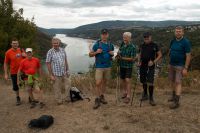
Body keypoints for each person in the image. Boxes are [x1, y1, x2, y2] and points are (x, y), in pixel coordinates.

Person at [89, 29, 114, 109]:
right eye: (103, 34)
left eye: (105, 34)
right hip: (99, 67)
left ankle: (102, 96)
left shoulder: (110, 45)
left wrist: (112, 54)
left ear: (108, 35)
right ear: (101, 35)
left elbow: (112, 53)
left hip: (108, 66)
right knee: (98, 83)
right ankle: (97, 99)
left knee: (104, 82)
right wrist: (96, 52)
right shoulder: (97, 44)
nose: (104, 36)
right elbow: (90, 54)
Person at [168, 26, 191, 109]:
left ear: (183, 32)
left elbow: (188, 56)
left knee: (178, 82)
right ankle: (173, 96)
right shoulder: (172, 40)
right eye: (177, 31)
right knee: (172, 81)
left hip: (180, 66)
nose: (178, 33)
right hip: (172, 64)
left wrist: (185, 68)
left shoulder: (186, 42)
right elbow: (170, 51)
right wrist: (169, 63)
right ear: (174, 32)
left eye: (179, 31)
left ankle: (177, 102)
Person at [138, 32, 162, 106]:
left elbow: (160, 55)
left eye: (147, 37)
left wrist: (153, 62)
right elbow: (139, 54)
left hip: (151, 66)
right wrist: (139, 61)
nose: (146, 39)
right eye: (145, 37)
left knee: (150, 82)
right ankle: (145, 95)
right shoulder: (141, 45)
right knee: (143, 81)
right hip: (142, 66)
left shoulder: (155, 45)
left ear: (150, 37)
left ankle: (151, 98)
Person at [46, 37, 70, 105]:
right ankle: (59, 100)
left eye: (57, 43)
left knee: (68, 84)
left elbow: (65, 60)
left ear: (59, 43)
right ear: (52, 43)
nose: (55, 44)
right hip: (56, 73)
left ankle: (66, 98)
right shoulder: (50, 52)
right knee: (57, 87)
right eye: (54, 43)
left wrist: (67, 70)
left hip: (64, 72)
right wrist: (51, 75)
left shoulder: (62, 50)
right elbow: (48, 63)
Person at [4, 38, 26, 105]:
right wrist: (6, 74)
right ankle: (18, 98)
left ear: (18, 44)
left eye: (16, 43)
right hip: (14, 72)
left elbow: (27, 59)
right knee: (15, 86)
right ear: (11, 44)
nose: (15, 44)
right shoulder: (8, 52)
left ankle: (30, 98)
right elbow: (6, 63)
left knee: (28, 84)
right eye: (13, 43)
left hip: (23, 71)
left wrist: (25, 55)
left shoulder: (21, 50)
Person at [116, 32, 136, 104]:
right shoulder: (122, 45)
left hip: (128, 66)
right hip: (122, 65)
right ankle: (125, 93)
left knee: (127, 80)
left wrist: (122, 58)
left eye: (126, 37)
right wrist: (118, 55)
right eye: (124, 37)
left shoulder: (132, 47)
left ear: (130, 38)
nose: (124, 39)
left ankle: (128, 96)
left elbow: (133, 59)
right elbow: (119, 52)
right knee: (123, 80)